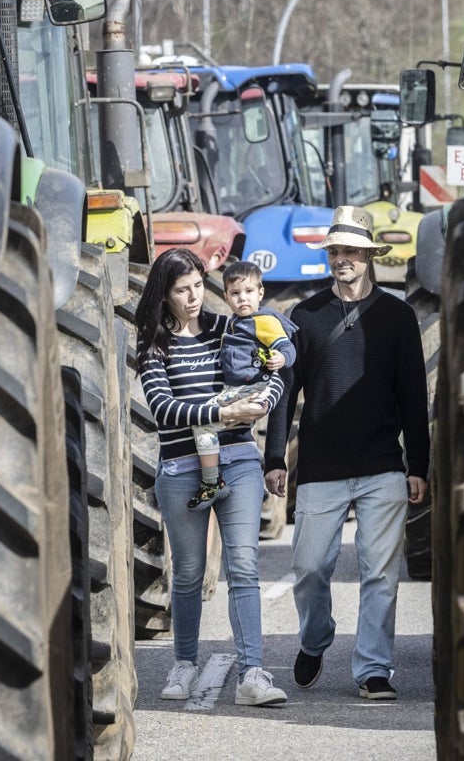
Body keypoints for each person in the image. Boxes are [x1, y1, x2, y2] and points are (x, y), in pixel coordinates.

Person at [263, 206, 429, 701]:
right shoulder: (304, 317)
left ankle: (373, 669)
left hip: (382, 467)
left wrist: (417, 465)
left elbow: (414, 396)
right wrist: (275, 458)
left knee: (380, 573)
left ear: (368, 257)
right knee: (311, 567)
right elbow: (284, 391)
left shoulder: (398, 316)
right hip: (321, 465)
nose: (343, 260)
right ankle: (315, 639)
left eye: (352, 252)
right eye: (336, 251)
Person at [134, 248, 288, 707]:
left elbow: (275, 371)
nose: (195, 296)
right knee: (187, 573)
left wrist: (263, 400)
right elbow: (164, 408)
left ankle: (252, 674)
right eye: (183, 290)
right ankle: (183, 664)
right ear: (165, 295)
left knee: (244, 566)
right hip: (181, 467)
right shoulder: (154, 346)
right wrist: (224, 411)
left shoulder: (229, 328)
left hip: (240, 459)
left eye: (199, 285)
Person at [188, 260, 297, 511]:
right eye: (235, 294)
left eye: (248, 292)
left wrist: (281, 358)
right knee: (202, 424)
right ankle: (212, 480)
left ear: (261, 293)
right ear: (225, 297)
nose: (242, 299)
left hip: (258, 387)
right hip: (236, 390)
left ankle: (218, 481)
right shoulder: (234, 324)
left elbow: (286, 347)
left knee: (210, 422)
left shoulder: (263, 321)